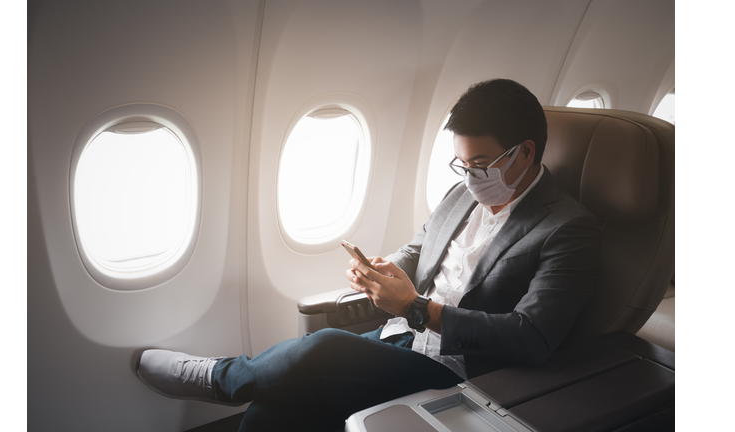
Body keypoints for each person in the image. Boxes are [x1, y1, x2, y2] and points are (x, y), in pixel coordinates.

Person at [135, 79, 601, 431]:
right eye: (462, 164)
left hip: (458, 371)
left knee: (323, 347)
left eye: (480, 165)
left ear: (524, 153)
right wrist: (386, 271)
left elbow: (532, 337)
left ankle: (221, 378)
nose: (469, 176)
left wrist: (418, 308)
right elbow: (422, 248)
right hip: (398, 339)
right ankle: (239, 387)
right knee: (271, 410)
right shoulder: (462, 193)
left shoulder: (568, 229)